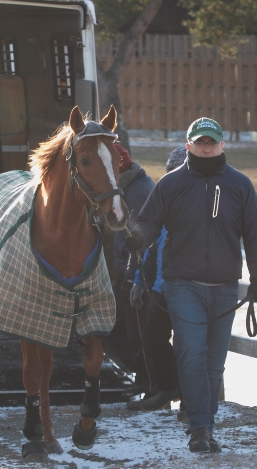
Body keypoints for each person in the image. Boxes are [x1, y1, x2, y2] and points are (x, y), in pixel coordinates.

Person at [133, 118, 257, 453]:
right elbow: (149, 222)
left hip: (225, 285)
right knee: (192, 353)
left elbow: (254, 234)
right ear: (189, 145)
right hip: (183, 284)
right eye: (200, 142)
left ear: (222, 145)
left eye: (211, 142)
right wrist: (136, 237)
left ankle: (205, 423)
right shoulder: (170, 184)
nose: (206, 148)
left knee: (213, 362)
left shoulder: (240, 185)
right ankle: (199, 428)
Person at [126, 146, 187, 412]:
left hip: (185, 286)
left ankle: (185, 395)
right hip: (162, 288)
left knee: (189, 344)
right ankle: (168, 387)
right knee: (152, 337)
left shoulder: (195, 206)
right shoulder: (164, 204)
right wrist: (140, 281)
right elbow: (152, 250)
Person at [101, 144, 155, 394]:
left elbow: (142, 238)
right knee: (126, 330)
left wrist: (134, 277)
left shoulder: (137, 193)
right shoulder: (132, 188)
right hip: (128, 270)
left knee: (137, 332)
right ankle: (144, 379)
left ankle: (149, 382)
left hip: (136, 273)